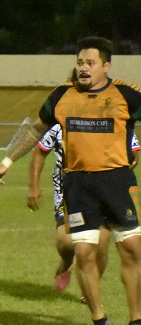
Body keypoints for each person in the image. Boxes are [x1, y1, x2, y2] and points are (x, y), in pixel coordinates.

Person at [0, 38, 141, 325]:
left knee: (133, 248)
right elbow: (35, 129)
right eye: (80, 63)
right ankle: (100, 322)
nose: (84, 68)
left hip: (117, 181)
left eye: (90, 63)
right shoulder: (61, 96)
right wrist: (7, 160)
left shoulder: (126, 94)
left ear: (106, 66)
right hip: (79, 184)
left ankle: (136, 320)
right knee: (83, 252)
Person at [28, 123, 122, 291]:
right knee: (66, 242)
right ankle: (67, 260)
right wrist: (34, 187)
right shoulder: (60, 125)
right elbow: (39, 152)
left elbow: (133, 151)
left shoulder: (110, 121)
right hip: (69, 194)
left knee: (101, 244)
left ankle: (91, 291)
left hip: (102, 192)